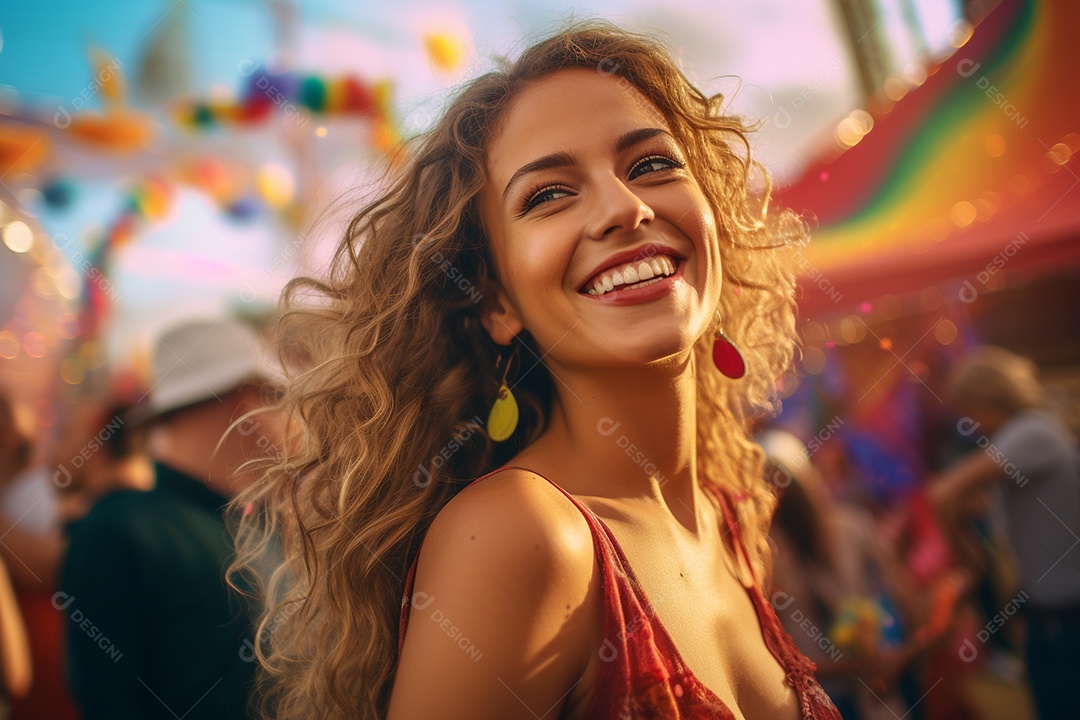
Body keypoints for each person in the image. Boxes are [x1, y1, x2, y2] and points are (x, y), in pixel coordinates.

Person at [232, 22, 842, 720]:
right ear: (496, 302)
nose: (626, 208)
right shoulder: (522, 536)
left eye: (651, 164)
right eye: (549, 195)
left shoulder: (730, 517)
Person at [59, 318, 279, 720]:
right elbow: (108, 704)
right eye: (279, 396)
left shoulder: (262, 529)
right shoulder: (115, 532)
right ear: (248, 401)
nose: (293, 418)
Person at [931, 345, 1080, 720]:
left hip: (1066, 622)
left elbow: (944, 494)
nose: (968, 421)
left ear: (988, 398)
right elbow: (979, 503)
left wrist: (970, 561)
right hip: (1050, 621)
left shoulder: (1030, 432)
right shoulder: (1028, 436)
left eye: (968, 408)